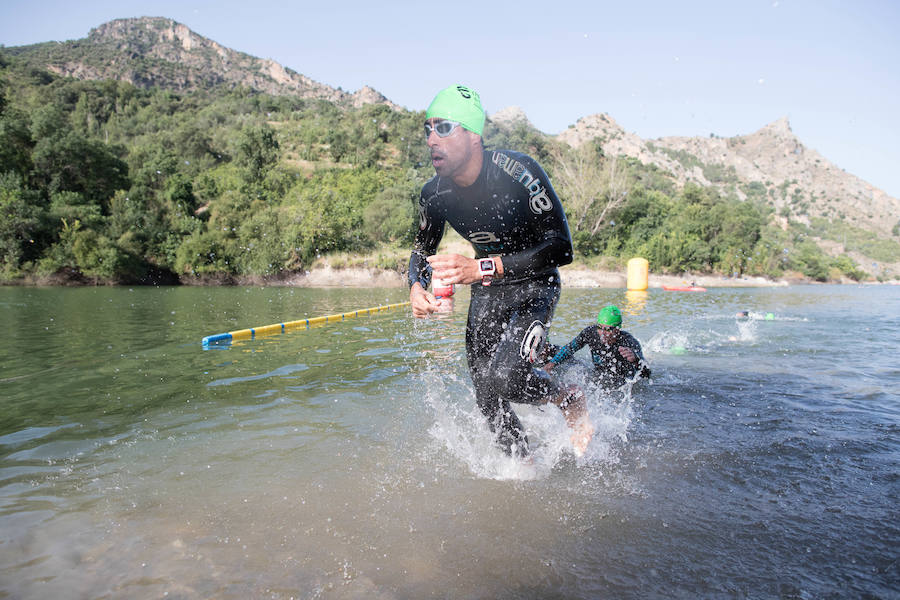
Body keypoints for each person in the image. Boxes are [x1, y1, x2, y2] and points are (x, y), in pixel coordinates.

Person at [408, 84, 593, 457]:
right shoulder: (434, 193)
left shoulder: (518, 172)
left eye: (443, 128)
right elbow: (420, 251)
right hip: (488, 288)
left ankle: (567, 398)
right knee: (485, 390)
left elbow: (562, 248)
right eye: (428, 128)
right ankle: (520, 464)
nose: (431, 138)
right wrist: (416, 285)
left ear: (474, 136)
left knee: (506, 376)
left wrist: (483, 266)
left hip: (534, 285)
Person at [543, 305, 651, 390]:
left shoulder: (629, 342)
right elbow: (570, 348)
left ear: (617, 330)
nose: (602, 333)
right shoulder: (590, 333)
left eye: (608, 329)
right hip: (600, 377)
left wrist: (636, 360)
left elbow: (647, 374)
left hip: (622, 383)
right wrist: (551, 364)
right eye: (600, 327)